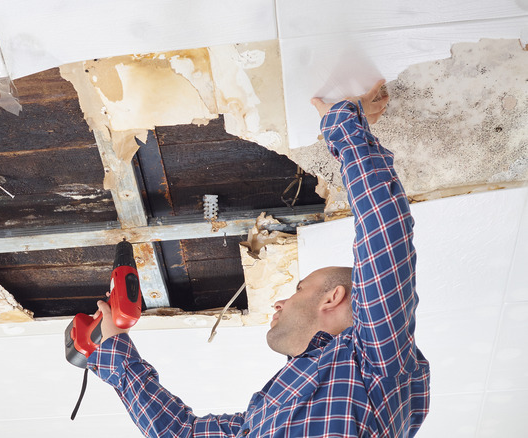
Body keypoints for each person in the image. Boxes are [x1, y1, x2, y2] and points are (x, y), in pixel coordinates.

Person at [87, 80, 430, 437]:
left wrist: (115, 354)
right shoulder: (376, 362)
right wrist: (346, 128)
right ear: (333, 296)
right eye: (300, 288)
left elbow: (181, 433)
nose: (280, 301)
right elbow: (385, 237)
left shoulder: (262, 420)